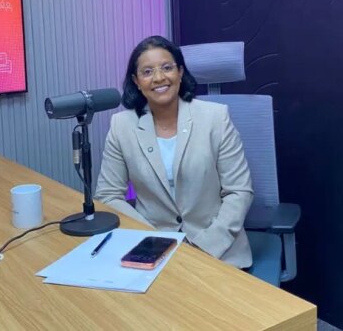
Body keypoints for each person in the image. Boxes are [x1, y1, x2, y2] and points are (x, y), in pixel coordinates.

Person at [95, 35, 253, 269]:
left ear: (180, 72)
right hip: (150, 249)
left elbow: (239, 191)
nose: (159, 77)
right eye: (147, 72)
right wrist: (152, 241)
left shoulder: (215, 118)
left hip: (217, 250)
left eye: (167, 68)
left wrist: (203, 247)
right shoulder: (121, 126)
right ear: (136, 81)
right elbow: (108, 195)